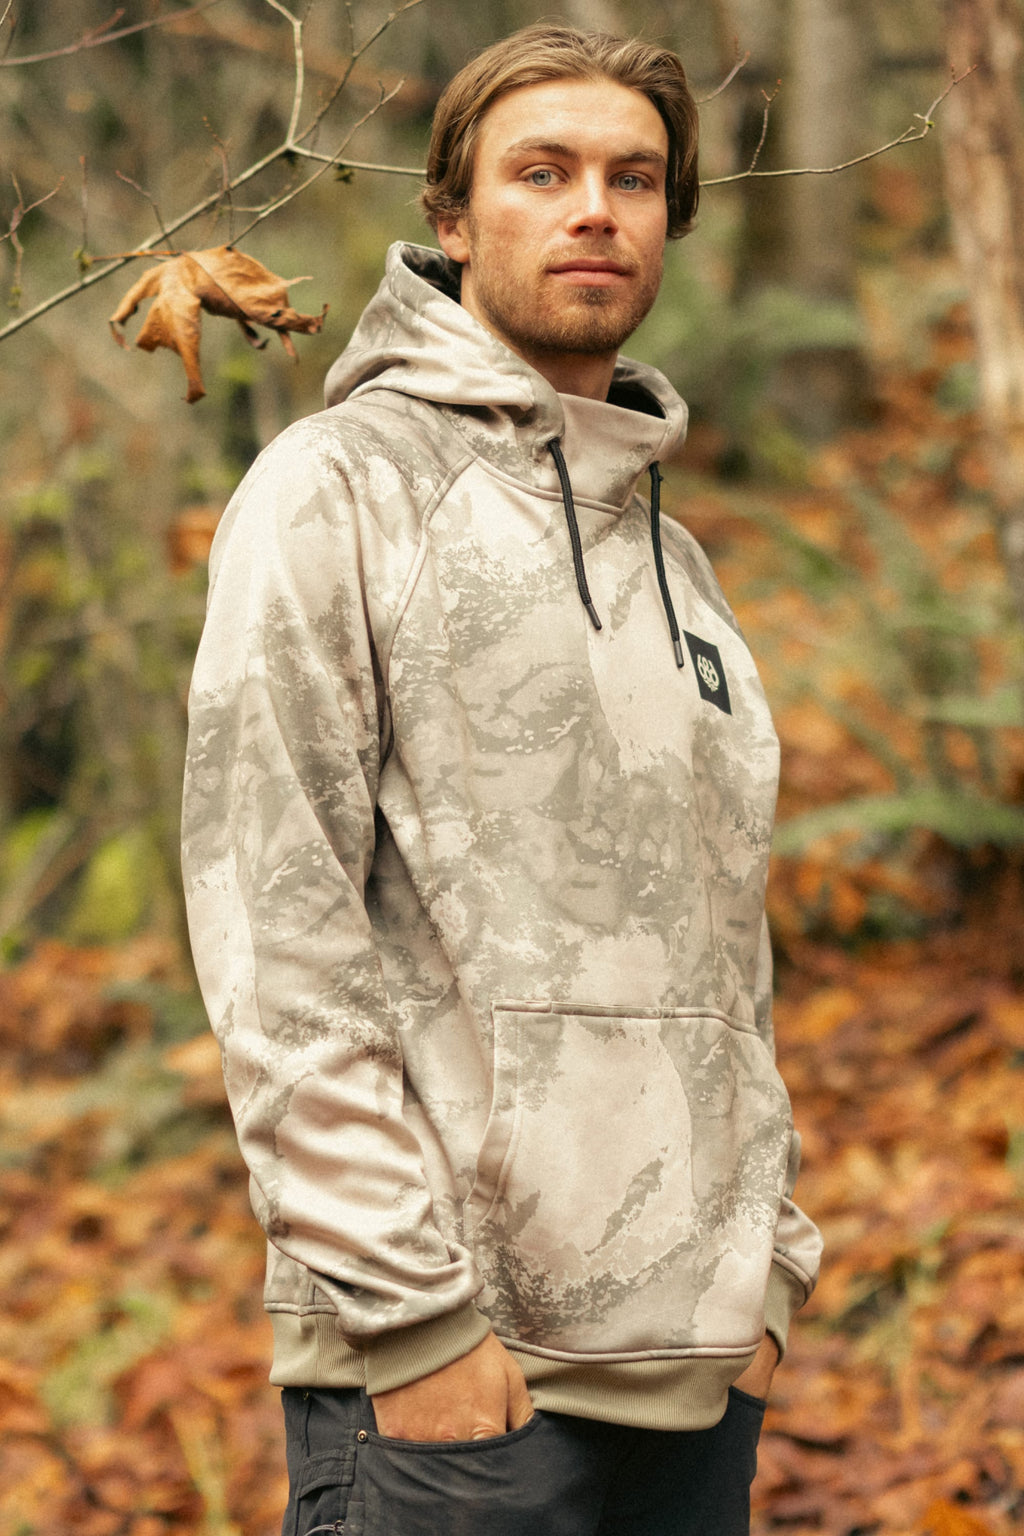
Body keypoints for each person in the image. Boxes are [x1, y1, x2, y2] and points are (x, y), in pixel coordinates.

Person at [181, 23, 823, 1536]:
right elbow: (275, 927)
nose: (596, 207)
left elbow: (730, 947)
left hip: (695, 1374)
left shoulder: (682, 570)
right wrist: (413, 1325)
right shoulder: (335, 492)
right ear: (454, 219)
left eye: (635, 178)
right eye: (543, 173)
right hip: (457, 1389)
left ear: (670, 221)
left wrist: (769, 1270)